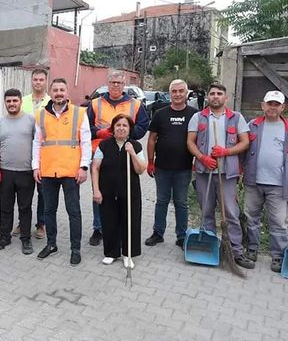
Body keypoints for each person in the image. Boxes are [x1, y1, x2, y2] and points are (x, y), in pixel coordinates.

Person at [186, 83, 252, 269]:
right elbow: (190, 142)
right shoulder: (198, 117)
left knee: (230, 213)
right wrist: (202, 157)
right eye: (212, 93)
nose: (215, 96)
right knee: (206, 211)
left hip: (227, 173)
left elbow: (245, 142)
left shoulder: (236, 118)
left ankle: (235, 251)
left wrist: (226, 151)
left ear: (225, 97)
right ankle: (210, 246)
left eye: (219, 94)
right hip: (203, 172)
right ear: (208, 97)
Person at [87, 70, 150, 246]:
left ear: (124, 85)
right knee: (99, 191)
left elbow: (143, 126)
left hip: (125, 151)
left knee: (123, 191)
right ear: (108, 83)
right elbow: (85, 128)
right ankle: (98, 228)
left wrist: (127, 135)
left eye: (119, 83)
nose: (116, 85)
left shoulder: (135, 104)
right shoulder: (95, 104)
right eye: (113, 82)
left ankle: (121, 228)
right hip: (100, 151)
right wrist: (100, 132)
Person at [33, 78, 91, 266]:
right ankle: (51, 244)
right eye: (55, 90)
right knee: (49, 210)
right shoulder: (40, 115)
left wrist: (84, 167)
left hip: (71, 171)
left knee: (73, 211)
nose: (59, 93)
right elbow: (37, 142)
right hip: (48, 171)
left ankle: (75, 249)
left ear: (67, 93)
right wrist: (36, 166)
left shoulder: (80, 113)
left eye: (62, 90)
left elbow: (86, 142)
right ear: (51, 93)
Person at [145, 80, 197, 249]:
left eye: (181, 91)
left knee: (181, 202)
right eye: (174, 91)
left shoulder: (194, 114)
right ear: (170, 93)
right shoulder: (160, 114)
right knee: (161, 201)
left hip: (184, 167)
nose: (177, 94)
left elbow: (199, 141)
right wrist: (150, 162)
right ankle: (158, 233)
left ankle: (182, 236)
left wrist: (197, 161)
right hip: (162, 167)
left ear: (186, 93)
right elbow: (151, 139)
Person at [242, 90, 288, 273]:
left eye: (276, 104)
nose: (272, 107)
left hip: (278, 184)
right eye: (269, 103)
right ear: (263, 105)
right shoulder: (252, 126)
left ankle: (278, 255)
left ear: (282, 107)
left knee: (278, 221)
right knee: (251, 218)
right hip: (253, 181)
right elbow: (242, 149)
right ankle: (252, 249)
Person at [92, 115, 146, 268]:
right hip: (108, 192)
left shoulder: (135, 146)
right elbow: (95, 168)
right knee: (109, 221)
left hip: (130, 192)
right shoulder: (104, 145)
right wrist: (96, 190)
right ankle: (111, 253)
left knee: (131, 222)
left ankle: (128, 254)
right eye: (118, 125)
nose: (121, 128)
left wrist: (133, 154)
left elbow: (140, 170)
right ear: (113, 128)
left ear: (129, 129)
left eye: (125, 126)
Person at [0, 88, 37, 254]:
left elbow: (38, 144)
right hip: (5, 172)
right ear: (5, 103)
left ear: (20, 102)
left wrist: (36, 167)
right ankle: (4, 237)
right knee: (5, 207)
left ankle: (26, 239)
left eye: (14, 100)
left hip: (26, 172)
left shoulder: (31, 121)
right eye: (8, 101)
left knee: (25, 207)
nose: (11, 104)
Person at [19, 69, 50, 239]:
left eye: (41, 79)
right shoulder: (23, 101)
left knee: (43, 191)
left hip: (44, 154)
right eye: (35, 79)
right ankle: (22, 221)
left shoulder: (52, 102)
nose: (38, 82)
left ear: (46, 81)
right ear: (32, 81)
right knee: (24, 190)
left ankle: (41, 223)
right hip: (24, 151)